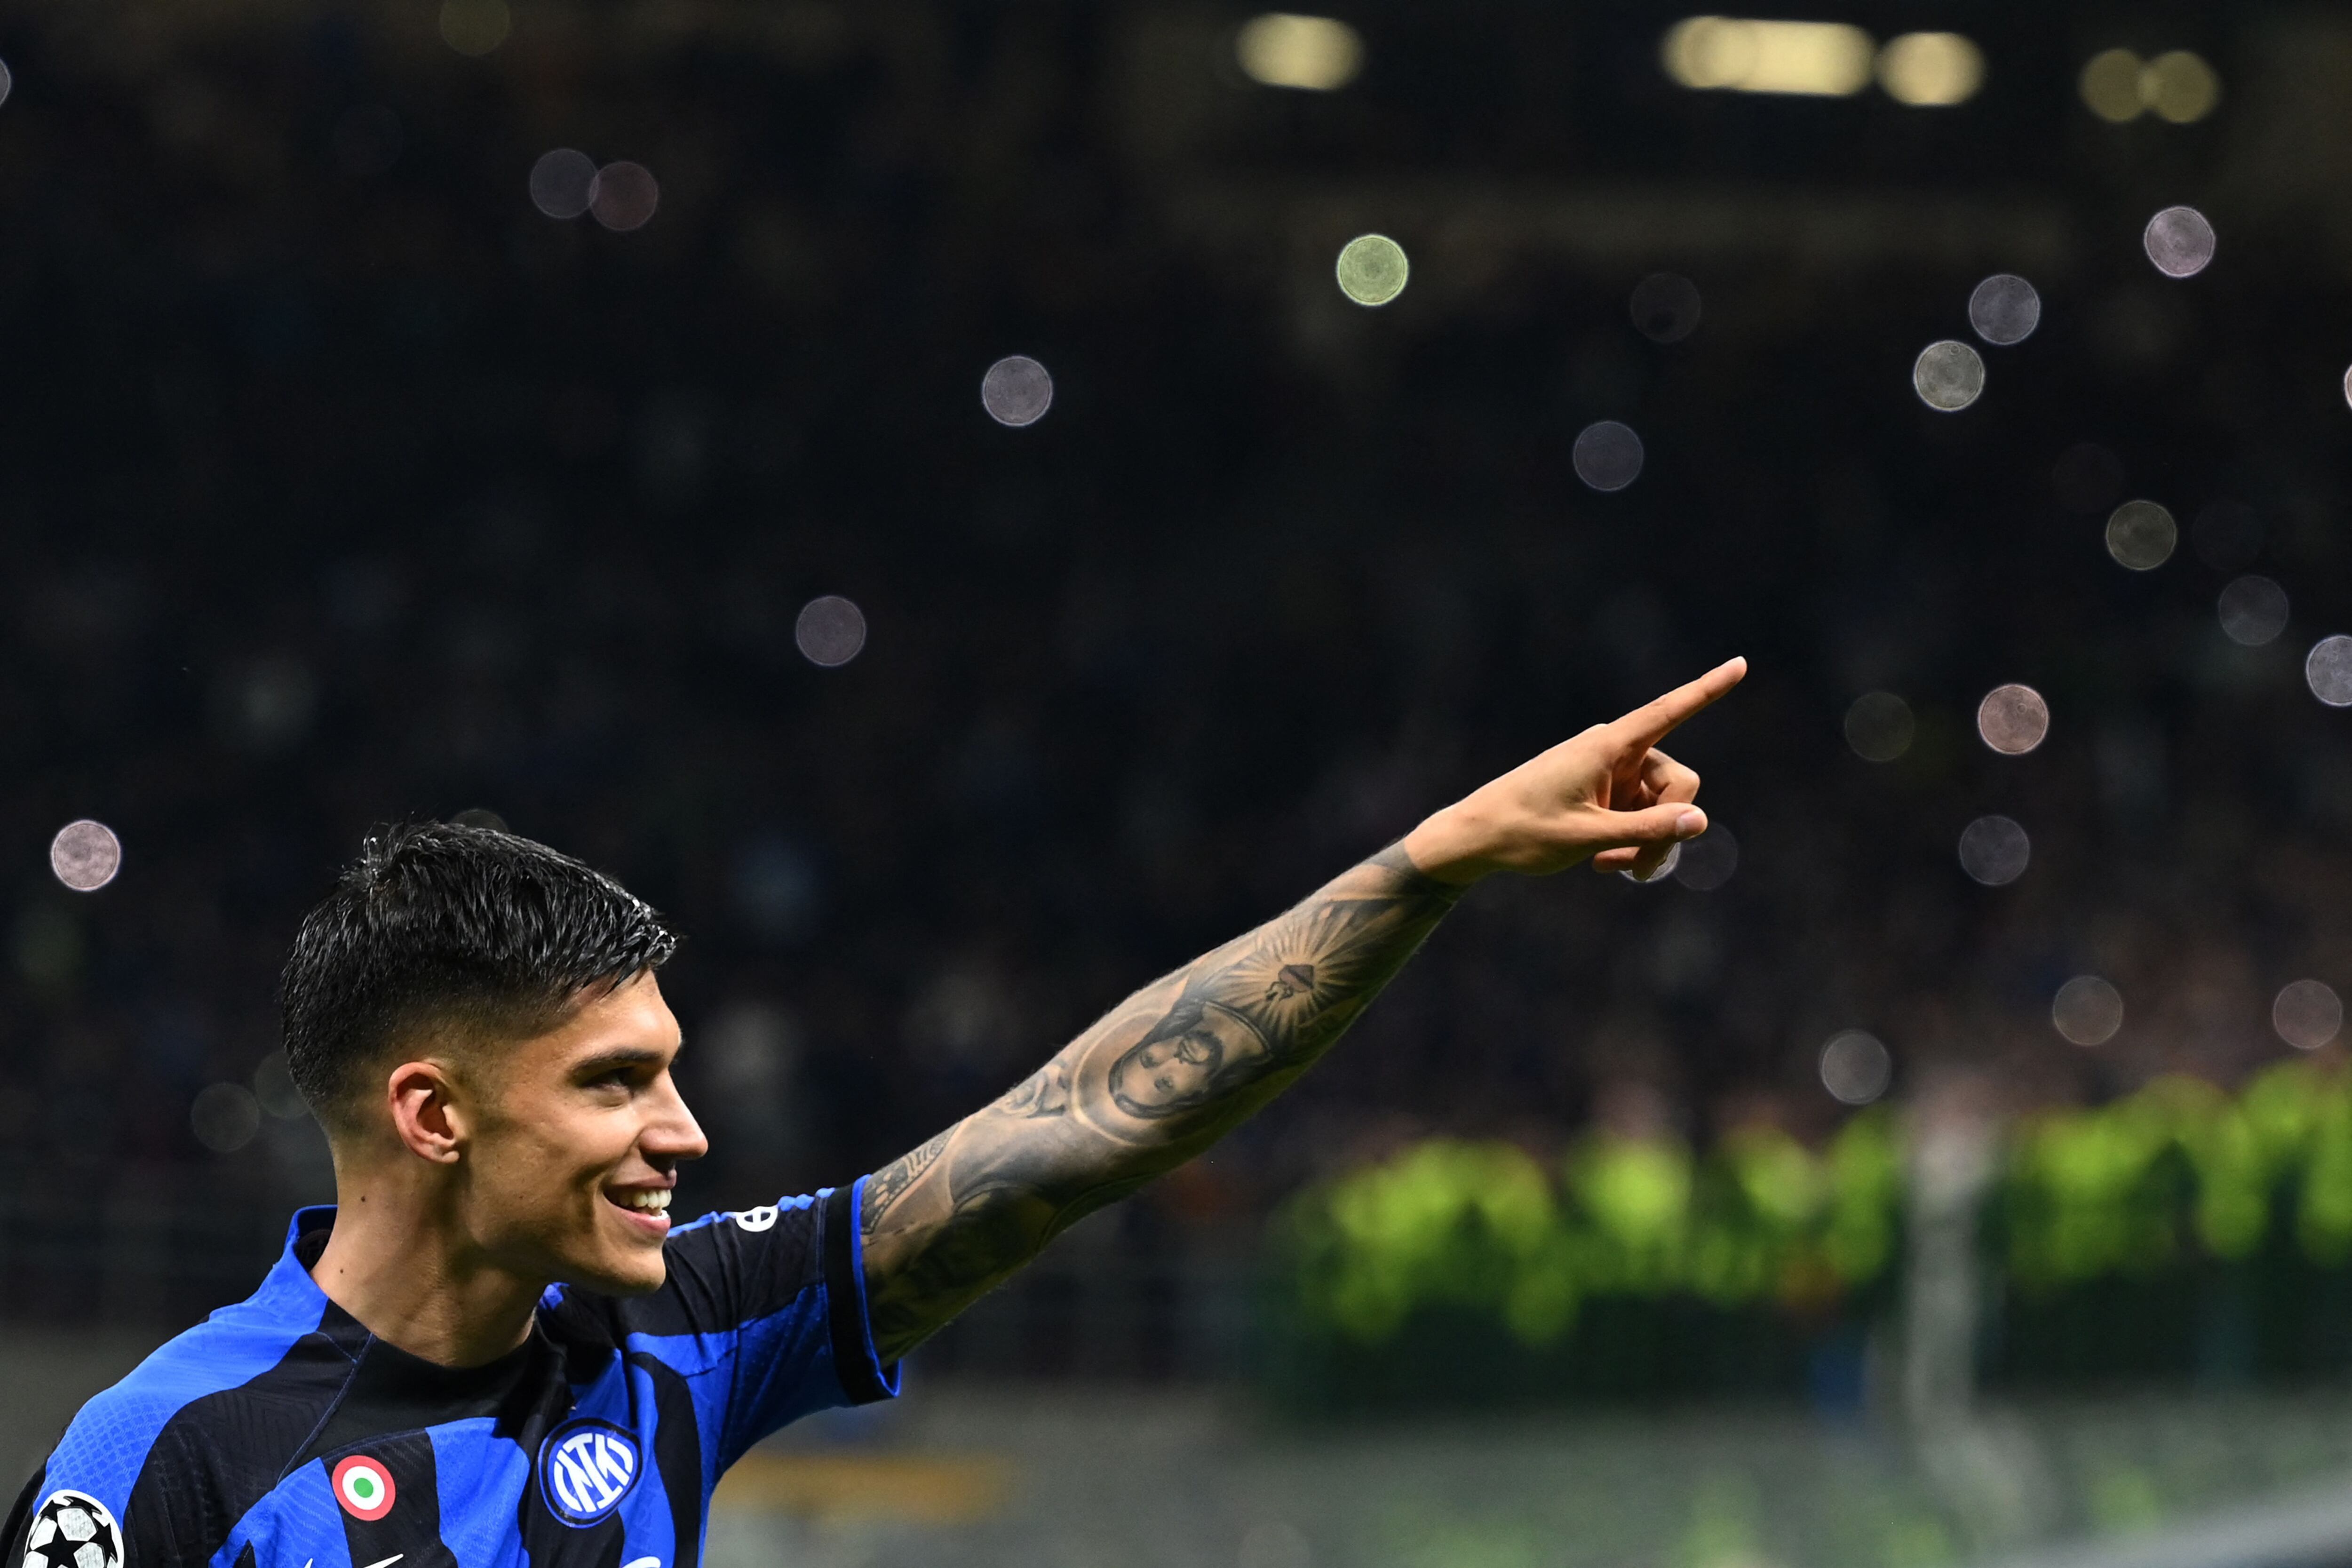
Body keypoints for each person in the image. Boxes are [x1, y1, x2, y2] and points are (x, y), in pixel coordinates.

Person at [5, 657, 1744, 1568]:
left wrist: (1429, 863)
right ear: (433, 1115)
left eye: (672, 1071)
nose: (683, 1134)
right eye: (615, 1084)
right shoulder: (165, 1466)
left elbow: (1090, 1126)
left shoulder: (682, 1331)